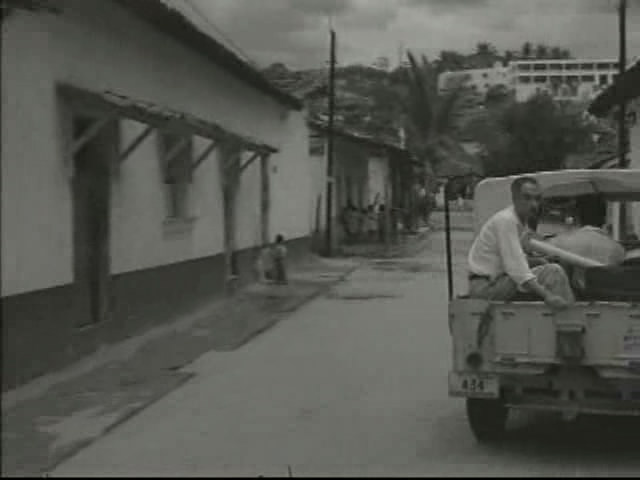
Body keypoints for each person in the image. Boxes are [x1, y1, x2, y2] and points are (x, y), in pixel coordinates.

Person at [467, 176, 574, 308]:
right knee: (554, 272)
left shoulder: (518, 223)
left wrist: (539, 261)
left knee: (548, 267)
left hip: (495, 281)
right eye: (527, 198)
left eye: (537, 199)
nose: (534, 204)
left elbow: (512, 260)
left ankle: (565, 312)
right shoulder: (507, 221)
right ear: (515, 199)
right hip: (486, 287)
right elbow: (517, 270)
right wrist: (548, 296)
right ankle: (570, 316)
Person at [548, 194, 625, 291]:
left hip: (572, 300)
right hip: (607, 299)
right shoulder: (618, 249)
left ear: (578, 215)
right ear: (604, 218)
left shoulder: (560, 242)